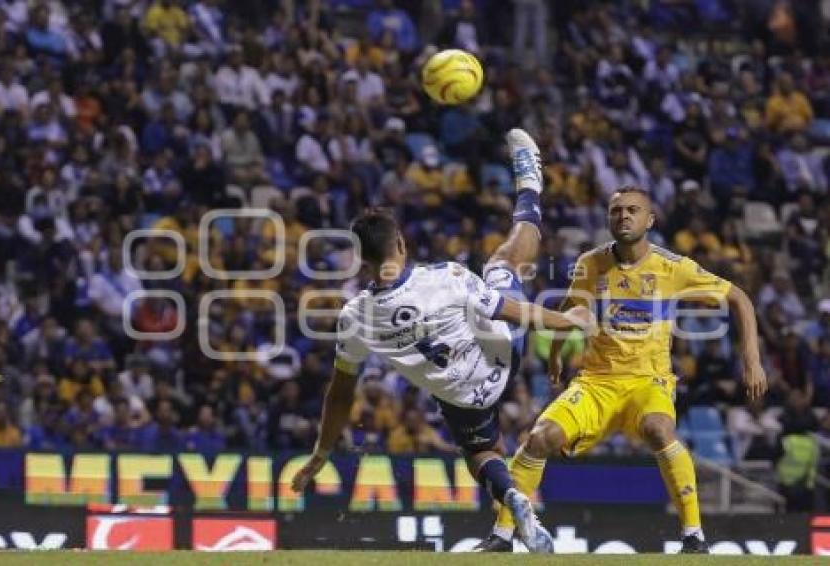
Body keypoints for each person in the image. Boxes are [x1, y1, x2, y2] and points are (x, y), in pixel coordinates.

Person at [290, 129, 594, 553]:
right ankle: (530, 187)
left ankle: (511, 499)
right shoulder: (446, 278)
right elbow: (515, 312)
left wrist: (321, 454)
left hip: (463, 396)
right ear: (400, 243)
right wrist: (566, 320)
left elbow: (340, 394)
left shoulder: (354, 317)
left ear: (363, 259)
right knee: (502, 263)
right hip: (501, 354)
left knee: (480, 452)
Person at [480, 186, 768, 553]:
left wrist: (752, 360)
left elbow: (739, 298)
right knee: (539, 438)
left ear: (650, 220)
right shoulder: (590, 263)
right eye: (617, 211)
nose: (624, 216)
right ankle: (503, 535)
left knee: (658, 428)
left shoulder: (673, 268)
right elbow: (570, 308)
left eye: (633, 210)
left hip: (650, 382)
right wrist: (555, 354)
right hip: (597, 383)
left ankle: (694, 537)